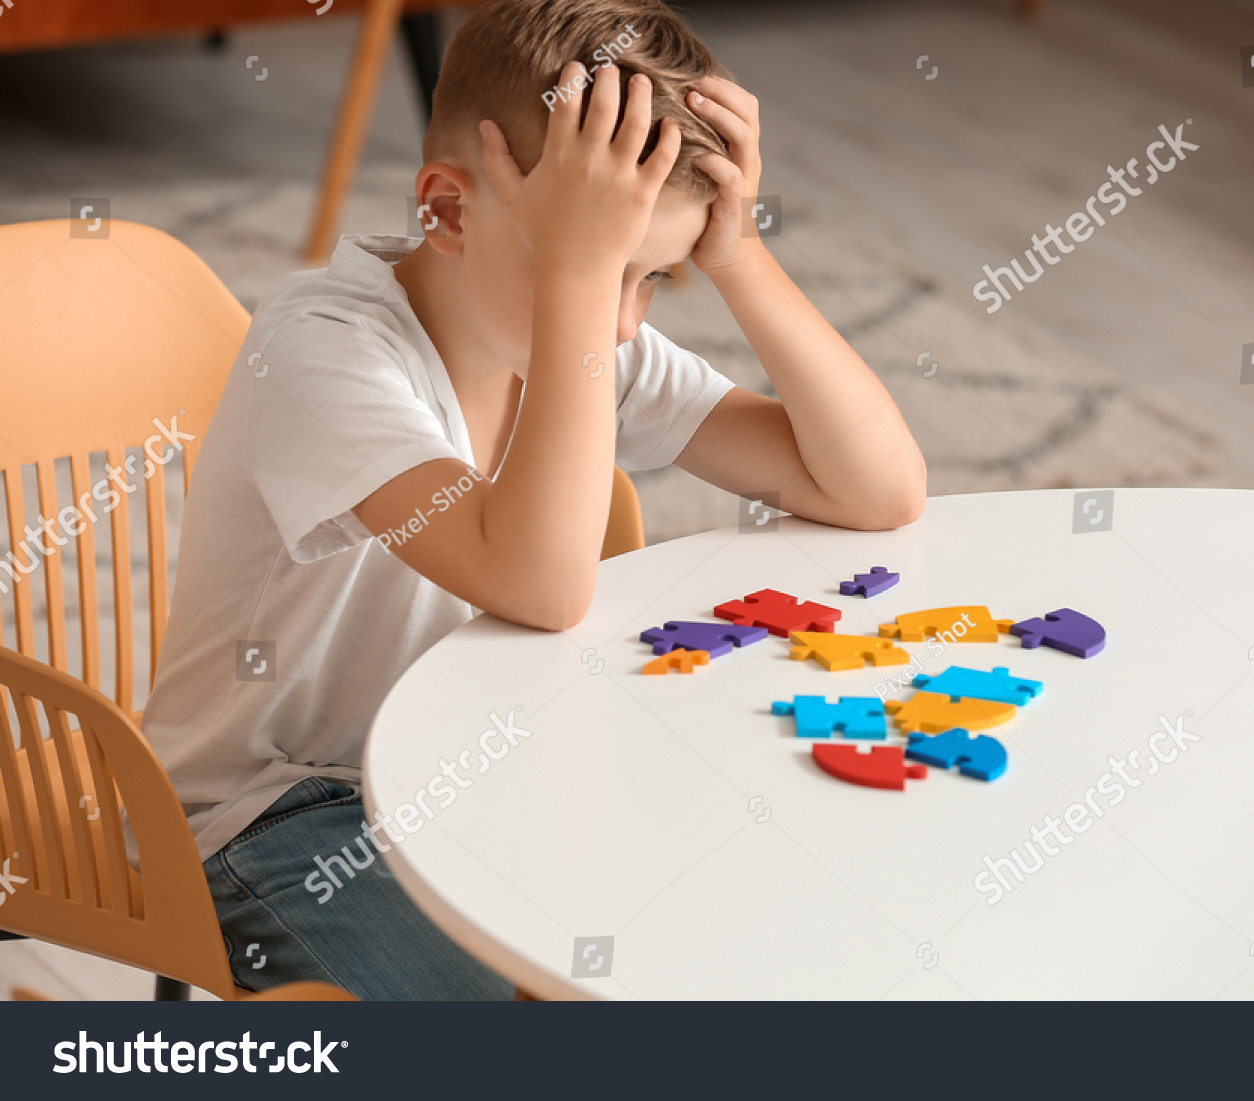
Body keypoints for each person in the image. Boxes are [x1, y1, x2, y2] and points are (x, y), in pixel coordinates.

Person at [141, 0, 926, 1000]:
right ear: (448, 211)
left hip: (484, 773)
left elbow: (876, 486)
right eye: (588, 262)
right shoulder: (321, 353)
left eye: (655, 275)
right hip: (280, 811)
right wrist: (580, 281)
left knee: (743, 926)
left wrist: (739, 257)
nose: (625, 319)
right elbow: (542, 586)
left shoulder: (583, 340)